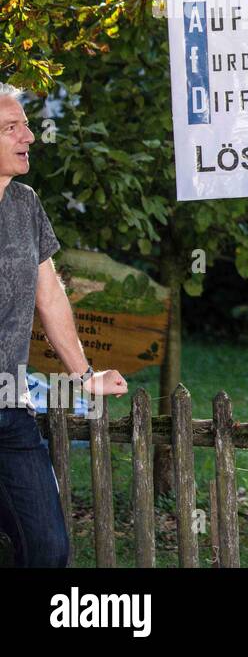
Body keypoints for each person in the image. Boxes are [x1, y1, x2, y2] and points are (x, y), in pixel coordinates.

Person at [0, 82, 127, 567]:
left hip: (10, 409)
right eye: (12, 128)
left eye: (26, 125)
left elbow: (49, 295)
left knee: (48, 549)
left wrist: (85, 375)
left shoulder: (25, 203)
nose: (29, 136)